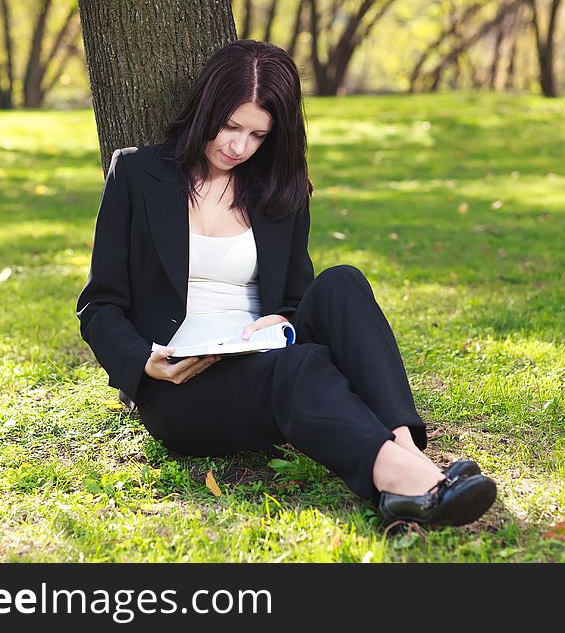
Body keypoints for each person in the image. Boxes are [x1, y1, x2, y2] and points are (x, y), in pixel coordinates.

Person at [76, 40, 496, 528]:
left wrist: (286, 319)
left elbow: (299, 296)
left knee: (342, 283)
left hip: (267, 352)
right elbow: (99, 303)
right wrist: (143, 366)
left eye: (257, 134)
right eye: (230, 126)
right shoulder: (135, 173)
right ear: (205, 107)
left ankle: (405, 452)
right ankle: (412, 481)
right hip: (183, 387)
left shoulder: (279, 187)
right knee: (301, 365)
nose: (238, 147)